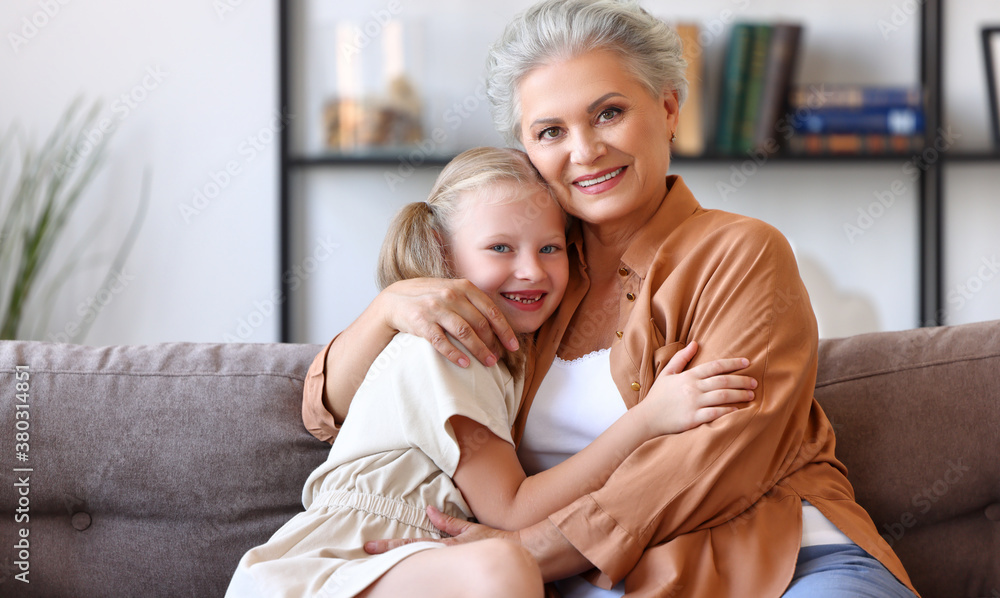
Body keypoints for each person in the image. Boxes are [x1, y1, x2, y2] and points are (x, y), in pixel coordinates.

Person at [302, 2, 921, 597]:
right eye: (551, 131)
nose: (585, 151)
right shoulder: (527, 285)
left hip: (788, 558)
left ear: (670, 108)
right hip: (602, 581)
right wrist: (387, 310)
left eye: (608, 113)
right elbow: (330, 411)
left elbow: (710, 458)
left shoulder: (741, 253)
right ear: (527, 149)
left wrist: (523, 552)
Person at [228, 147, 756, 598]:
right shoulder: (448, 349)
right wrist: (649, 419)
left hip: (423, 566)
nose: (531, 269)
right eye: (500, 248)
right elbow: (512, 513)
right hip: (339, 567)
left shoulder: (515, 357)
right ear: (444, 255)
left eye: (549, 248)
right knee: (506, 566)